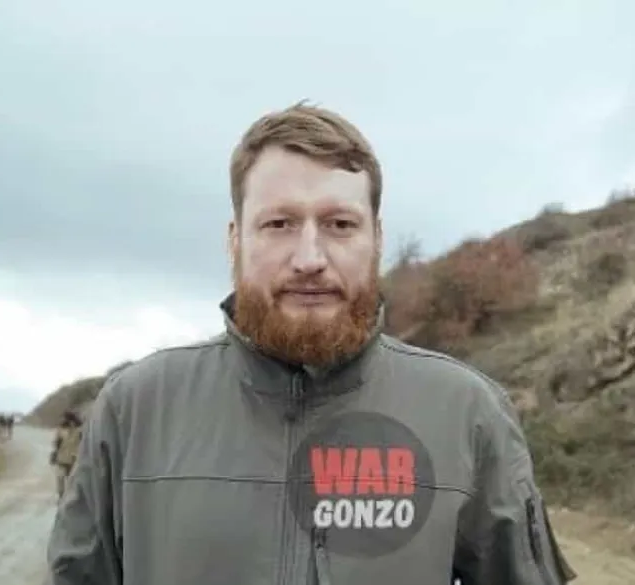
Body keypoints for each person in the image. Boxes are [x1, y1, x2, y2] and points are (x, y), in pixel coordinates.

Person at [46, 101, 577, 585]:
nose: (309, 258)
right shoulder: (135, 409)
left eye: (339, 224)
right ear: (235, 240)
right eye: (279, 223)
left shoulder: (467, 414)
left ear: (377, 240)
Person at [49, 411, 83, 500]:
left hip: (74, 459)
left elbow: (83, 443)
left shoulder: (79, 430)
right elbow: (55, 443)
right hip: (62, 458)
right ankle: (61, 496)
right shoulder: (61, 430)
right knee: (60, 478)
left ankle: (72, 498)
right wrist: (56, 447)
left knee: (73, 481)